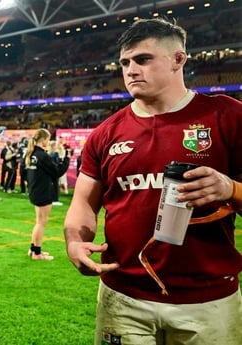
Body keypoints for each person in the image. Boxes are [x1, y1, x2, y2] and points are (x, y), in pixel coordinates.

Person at [64, 18, 242, 345]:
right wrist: (75, 240)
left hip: (207, 299)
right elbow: (83, 205)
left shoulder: (227, 116)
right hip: (123, 296)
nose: (131, 69)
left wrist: (230, 189)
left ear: (178, 59)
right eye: (125, 62)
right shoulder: (106, 133)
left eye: (143, 59)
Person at [26, 129, 69, 260]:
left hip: (35, 190)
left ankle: (33, 249)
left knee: (38, 222)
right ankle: (37, 253)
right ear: (44, 139)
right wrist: (65, 158)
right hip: (43, 192)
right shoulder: (42, 155)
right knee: (41, 223)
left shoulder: (32, 153)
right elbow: (56, 172)